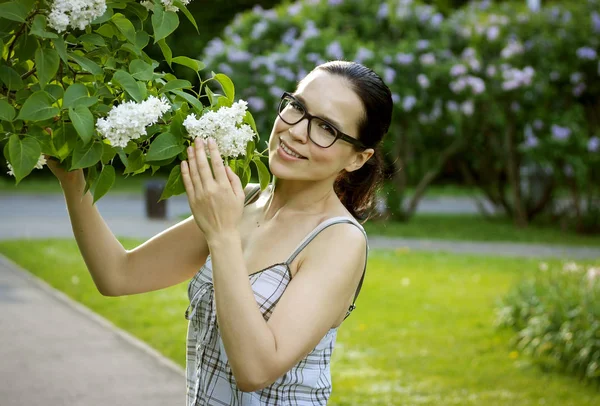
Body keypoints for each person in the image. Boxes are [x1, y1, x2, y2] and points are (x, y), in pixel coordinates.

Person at [46, 60, 393, 405]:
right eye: (297, 107)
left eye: (327, 129)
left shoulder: (337, 240)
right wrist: (73, 180)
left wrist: (222, 235)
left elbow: (255, 370)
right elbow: (118, 275)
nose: (297, 130)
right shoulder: (242, 200)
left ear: (357, 159)